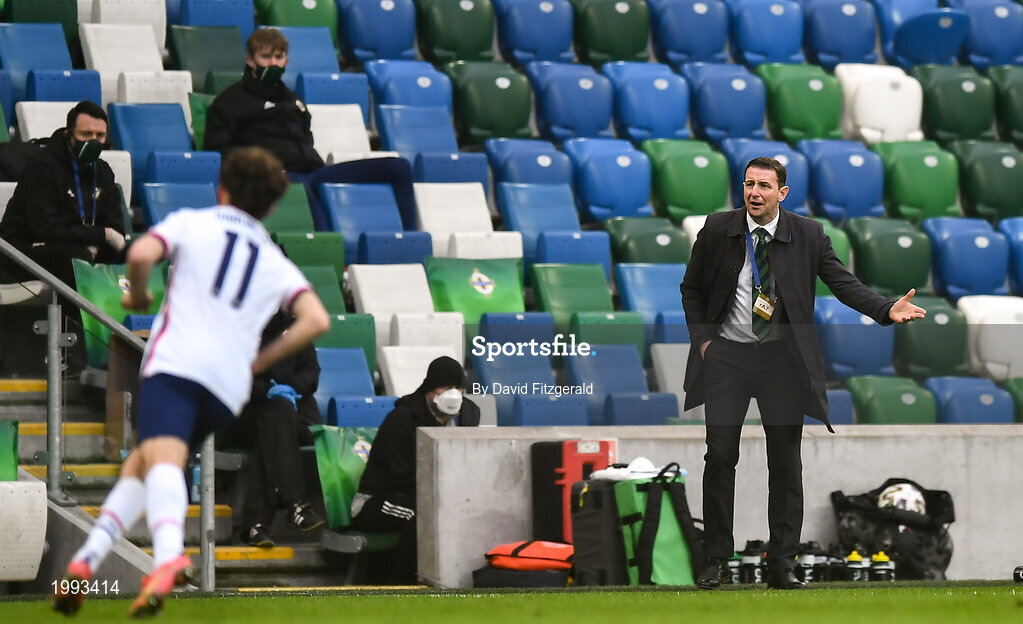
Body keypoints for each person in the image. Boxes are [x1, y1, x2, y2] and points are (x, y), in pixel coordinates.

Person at [51, 146, 330, 617]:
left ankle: (166, 555)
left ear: (221, 189)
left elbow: (139, 251)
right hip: (228, 386)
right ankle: (87, 558)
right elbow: (315, 318)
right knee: (145, 462)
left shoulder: (194, 222)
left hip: (178, 364)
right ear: (269, 205)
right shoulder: (271, 255)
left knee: (161, 456)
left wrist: (138, 293)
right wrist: (261, 362)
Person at [680, 156, 926, 591]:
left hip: (781, 362)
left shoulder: (808, 234)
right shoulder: (718, 229)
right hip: (728, 358)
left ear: (782, 193)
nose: (754, 193)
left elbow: (843, 283)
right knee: (719, 457)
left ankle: (782, 564)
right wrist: (704, 343)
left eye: (764, 186)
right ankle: (716, 558)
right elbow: (692, 288)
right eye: (749, 184)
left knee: (786, 465)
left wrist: (886, 308)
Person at [351, 356, 480, 584]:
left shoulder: (468, 416)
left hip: (433, 497)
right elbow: (401, 478)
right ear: (431, 389)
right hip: (381, 500)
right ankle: (404, 584)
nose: (453, 393)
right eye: (446, 387)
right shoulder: (402, 420)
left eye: (458, 387)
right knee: (423, 516)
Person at [225, 309, 326, 548]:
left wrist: (291, 389)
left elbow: (311, 372)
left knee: (272, 430)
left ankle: (256, 523)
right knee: (274, 418)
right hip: (247, 414)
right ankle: (295, 503)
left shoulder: (296, 327)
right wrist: (266, 391)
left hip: (296, 414)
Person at [0, 100, 126, 289]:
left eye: (99, 135)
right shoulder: (43, 166)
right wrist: (101, 235)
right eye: (86, 134)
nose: (93, 141)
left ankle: (136, 315)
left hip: (80, 246)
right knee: (77, 260)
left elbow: (116, 227)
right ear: (69, 135)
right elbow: (48, 230)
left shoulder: (103, 172)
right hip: (22, 252)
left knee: (141, 252)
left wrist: (100, 242)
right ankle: (78, 319)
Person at [204, 28, 324, 176]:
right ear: (250, 60)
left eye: (278, 57)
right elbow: (219, 151)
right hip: (260, 177)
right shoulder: (228, 102)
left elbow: (307, 140)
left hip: (307, 170)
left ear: (286, 62)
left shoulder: (295, 102)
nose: (273, 63)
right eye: (266, 56)